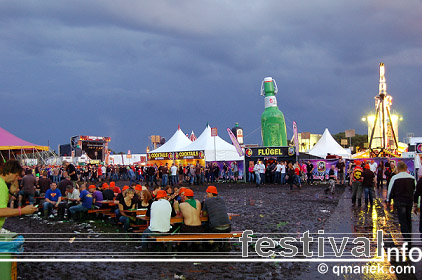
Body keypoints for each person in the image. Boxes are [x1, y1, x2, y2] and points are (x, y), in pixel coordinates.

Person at [387, 161, 416, 247]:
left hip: (399, 201)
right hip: (409, 201)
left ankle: (407, 238)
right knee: (408, 219)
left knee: (402, 221)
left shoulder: (395, 178)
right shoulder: (412, 178)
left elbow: (390, 190)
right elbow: (416, 191)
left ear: (398, 168)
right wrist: (416, 204)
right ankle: (409, 238)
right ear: (406, 168)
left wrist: (388, 200)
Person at [0, 160, 37, 229]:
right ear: (10, 172)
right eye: (16, 175)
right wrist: (22, 211)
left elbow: (2, 203)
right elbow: (1, 211)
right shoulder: (1, 185)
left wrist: (11, 193)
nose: (17, 178)